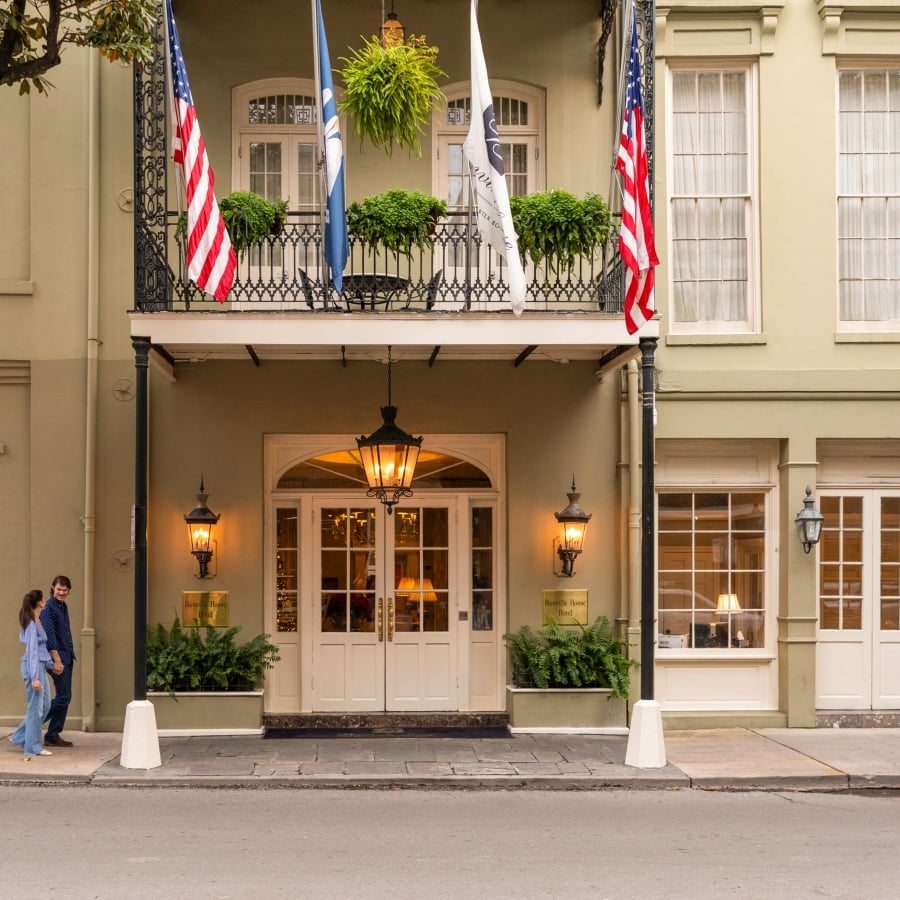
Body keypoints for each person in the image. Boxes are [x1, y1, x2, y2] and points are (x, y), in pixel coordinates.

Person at [8, 590, 54, 759]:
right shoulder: (31, 625)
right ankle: (33, 747)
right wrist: (35, 677)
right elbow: (33, 652)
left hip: (40, 667)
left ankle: (20, 736)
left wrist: (50, 664)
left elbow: (40, 651)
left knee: (46, 705)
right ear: (40, 602)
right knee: (35, 708)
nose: (46, 600)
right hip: (33, 668)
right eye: (44, 599)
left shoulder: (36, 621)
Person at [41, 574, 76, 747]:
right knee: (63, 697)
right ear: (53, 588)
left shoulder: (63, 606)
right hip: (58, 659)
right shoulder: (48, 608)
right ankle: (29, 726)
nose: (61, 592)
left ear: (68, 591)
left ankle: (52, 735)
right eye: (58, 589)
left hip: (67, 657)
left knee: (65, 697)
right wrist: (57, 660)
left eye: (64, 590)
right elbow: (50, 637)